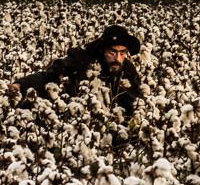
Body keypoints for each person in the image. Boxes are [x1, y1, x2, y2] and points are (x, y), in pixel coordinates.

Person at [11, 25, 143, 119]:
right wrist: (21, 85)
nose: (117, 58)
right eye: (112, 52)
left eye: (122, 53)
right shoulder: (82, 60)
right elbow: (48, 76)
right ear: (103, 50)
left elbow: (133, 99)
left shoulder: (128, 70)